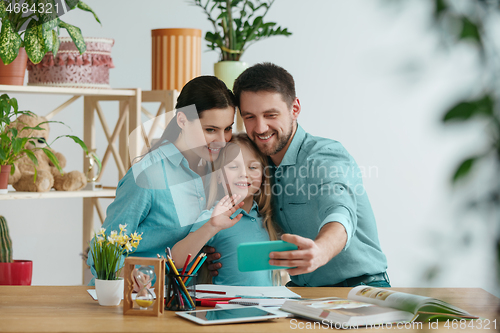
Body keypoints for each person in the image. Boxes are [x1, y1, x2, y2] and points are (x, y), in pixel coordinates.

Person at [221, 62, 389, 287]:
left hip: (360, 288)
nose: (260, 128)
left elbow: (340, 211)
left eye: (271, 114)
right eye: (249, 117)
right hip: (303, 291)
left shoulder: (326, 156)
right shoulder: (256, 168)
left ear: (295, 109)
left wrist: (321, 250)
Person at [87, 76, 236, 285]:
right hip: (138, 303)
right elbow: (101, 252)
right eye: (210, 130)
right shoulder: (148, 175)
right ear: (182, 120)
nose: (222, 140)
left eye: (228, 128)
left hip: (184, 304)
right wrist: (137, 281)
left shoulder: (221, 173)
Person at [172, 133, 280, 286]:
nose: (244, 173)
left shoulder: (266, 219)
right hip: (225, 309)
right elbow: (175, 260)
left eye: (253, 167)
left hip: (266, 309)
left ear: (263, 175)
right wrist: (212, 226)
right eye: (234, 167)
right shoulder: (213, 216)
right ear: (218, 175)